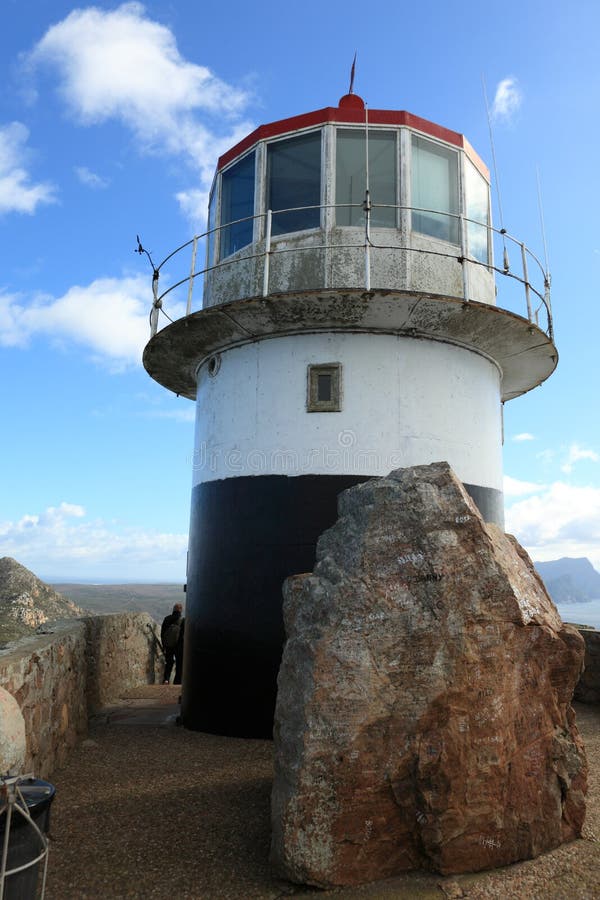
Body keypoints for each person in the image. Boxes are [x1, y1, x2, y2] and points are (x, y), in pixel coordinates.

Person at [161, 603, 182, 684]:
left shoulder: (166, 619)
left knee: (169, 663)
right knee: (179, 664)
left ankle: (166, 679)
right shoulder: (182, 620)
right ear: (181, 610)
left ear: (173, 609)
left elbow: (162, 633)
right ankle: (177, 682)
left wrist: (164, 645)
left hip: (168, 645)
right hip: (178, 647)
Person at [174, 616, 185, 685]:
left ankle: (176, 684)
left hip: (178, 649)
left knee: (178, 669)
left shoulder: (183, 621)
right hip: (183, 649)